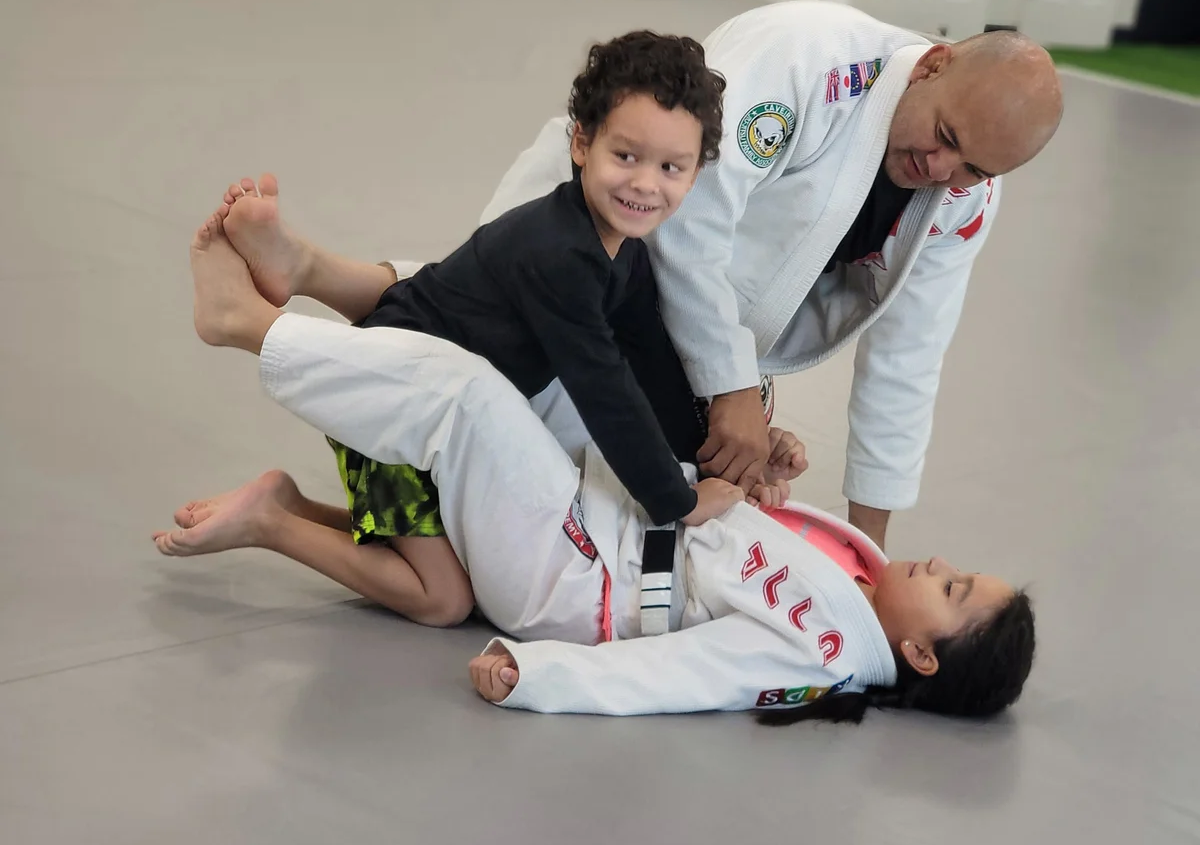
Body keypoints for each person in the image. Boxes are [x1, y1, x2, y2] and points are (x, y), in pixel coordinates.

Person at [157, 226, 1034, 721]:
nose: (937, 567)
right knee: (550, 330)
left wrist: (543, 678)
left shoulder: (828, 648)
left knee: (466, 398)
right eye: (960, 571)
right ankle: (314, 276)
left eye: (954, 592)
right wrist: (766, 473)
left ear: (917, 655)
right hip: (603, 510)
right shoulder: (850, 574)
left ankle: (245, 326)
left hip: (579, 579)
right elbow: (731, 550)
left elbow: (683, 673)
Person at [182, 30, 805, 626]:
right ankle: (272, 521)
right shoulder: (559, 254)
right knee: (442, 599)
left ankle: (293, 507)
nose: (646, 183)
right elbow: (605, 391)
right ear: (581, 143)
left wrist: (706, 462)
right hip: (388, 413)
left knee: (465, 569)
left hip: (439, 423)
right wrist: (681, 501)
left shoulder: (626, 253)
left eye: (672, 168)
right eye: (626, 156)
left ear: (697, 175)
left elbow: (648, 364)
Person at [479, 2, 1065, 551]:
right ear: (933, 66)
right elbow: (687, 214)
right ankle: (402, 288)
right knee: (500, 439)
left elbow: (909, 354)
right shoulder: (807, 58)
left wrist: (868, 555)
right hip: (588, 239)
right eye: (945, 137)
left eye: (973, 169)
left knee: (649, 507)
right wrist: (729, 388)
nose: (940, 170)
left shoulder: (968, 194)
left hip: (686, 326)